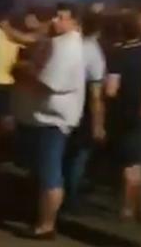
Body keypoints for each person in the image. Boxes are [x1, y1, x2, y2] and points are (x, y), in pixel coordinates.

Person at [14, 2, 85, 240]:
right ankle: (41, 218)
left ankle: (46, 224)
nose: (55, 21)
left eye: (62, 18)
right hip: (43, 119)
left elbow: (48, 83)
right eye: (55, 16)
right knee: (44, 172)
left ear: (74, 22)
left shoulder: (68, 47)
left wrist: (23, 72)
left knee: (50, 174)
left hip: (53, 121)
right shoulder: (58, 42)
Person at [106, 13, 141, 221]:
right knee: (138, 162)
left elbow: (111, 90)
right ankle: (138, 206)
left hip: (125, 113)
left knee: (128, 163)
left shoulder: (118, 55)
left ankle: (126, 208)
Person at [63, 12, 106, 213]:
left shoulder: (68, 45)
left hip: (64, 104)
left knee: (63, 153)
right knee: (79, 155)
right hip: (83, 107)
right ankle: (70, 199)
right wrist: (98, 124)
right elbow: (96, 94)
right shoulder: (93, 52)